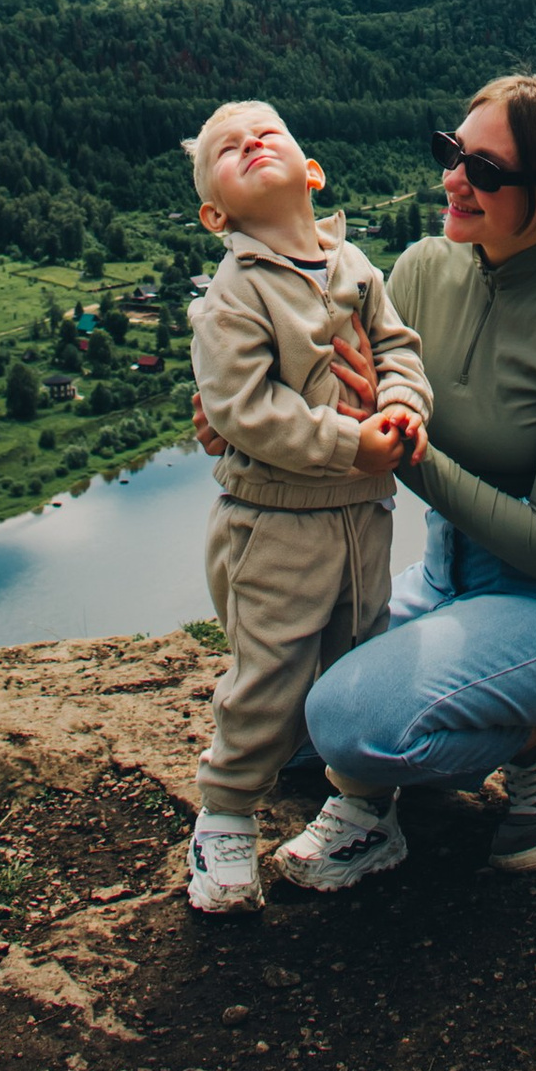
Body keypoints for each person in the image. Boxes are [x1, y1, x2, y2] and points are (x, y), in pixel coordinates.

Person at [271, 72, 536, 894]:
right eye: (453, 153)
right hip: (444, 581)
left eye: (488, 172)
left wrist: (413, 455)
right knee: (269, 716)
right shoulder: (423, 268)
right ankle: (455, 727)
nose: (454, 180)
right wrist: (240, 421)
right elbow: (345, 409)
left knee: (345, 723)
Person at [179, 100, 431, 916]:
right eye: (226, 149)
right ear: (215, 212)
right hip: (276, 522)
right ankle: (223, 819)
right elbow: (243, 412)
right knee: (271, 669)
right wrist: (345, 441)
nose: (251, 144)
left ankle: (364, 810)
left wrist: (403, 410)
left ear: (311, 171)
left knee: (357, 660)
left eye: (267, 134)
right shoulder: (234, 296)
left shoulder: (353, 263)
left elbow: (397, 349)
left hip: (364, 514)